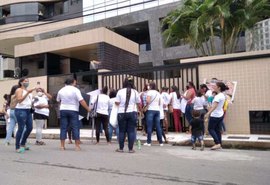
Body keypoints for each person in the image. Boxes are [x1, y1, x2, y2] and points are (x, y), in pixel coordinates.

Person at [57, 77, 90, 151]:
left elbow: (58, 100)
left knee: (63, 128)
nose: (75, 84)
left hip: (63, 110)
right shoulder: (75, 90)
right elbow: (81, 101)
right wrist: (88, 108)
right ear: (72, 83)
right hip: (73, 110)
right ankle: (77, 146)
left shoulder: (61, 90)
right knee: (75, 127)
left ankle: (62, 146)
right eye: (75, 83)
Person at [115, 77, 141, 153]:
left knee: (122, 131)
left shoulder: (120, 91)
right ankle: (130, 149)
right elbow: (138, 103)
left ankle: (121, 148)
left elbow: (117, 102)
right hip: (132, 112)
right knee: (131, 131)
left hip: (121, 113)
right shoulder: (135, 92)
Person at [14, 77, 35, 153]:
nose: (27, 82)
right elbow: (19, 100)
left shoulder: (27, 91)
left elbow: (28, 101)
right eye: (25, 81)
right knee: (21, 128)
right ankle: (17, 147)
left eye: (28, 81)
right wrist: (27, 93)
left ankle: (23, 143)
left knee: (30, 127)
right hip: (21, 110)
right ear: (21, 82)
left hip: (28, 110)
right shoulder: (19, 90)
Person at [205, 82, 228, 150]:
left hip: (215, 115)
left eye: (215, 86)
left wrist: (208, 113)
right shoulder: (222, 95)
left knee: (210, 129)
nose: (213, 87)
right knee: (217, 130)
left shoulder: (218, 96)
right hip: (220, 114)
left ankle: (217, 143)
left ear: (219, 88)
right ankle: (219, 144)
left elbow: (214, 106)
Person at [143, 81, 163, 146]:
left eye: (148, 85)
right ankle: (161, 142)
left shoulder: (149, 92)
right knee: (158, 126)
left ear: (150, 86)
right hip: (157, 110)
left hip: (150, 110)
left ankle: (149, 142)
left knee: (149, 126)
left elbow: (148, 101)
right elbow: (159, 103)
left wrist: (146, 102)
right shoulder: (158, 93)